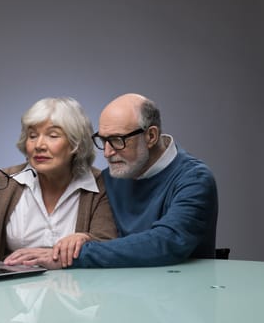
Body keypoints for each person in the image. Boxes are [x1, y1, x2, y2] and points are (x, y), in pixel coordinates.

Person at [15, 93, 218, 269]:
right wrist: (87, 238)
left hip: (181, 299)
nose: (108, 152)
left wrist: (78, 255)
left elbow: (166, 243)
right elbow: (111, 238)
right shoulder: (111, 178)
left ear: (151, 136)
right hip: (124, 298)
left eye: (118, 140)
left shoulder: (194, 179)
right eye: (103, 140)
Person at [0, 97, 117, 264]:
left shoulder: (101, 185)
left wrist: (85, 239)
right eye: (32, 136)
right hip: (4, 296)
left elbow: (108, 244)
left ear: (76, 144)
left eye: (53, 135)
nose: (39, 145)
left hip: (75, 296)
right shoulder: (2, 182)